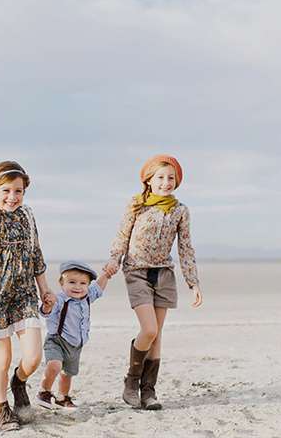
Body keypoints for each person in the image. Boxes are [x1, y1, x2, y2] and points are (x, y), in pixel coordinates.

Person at [105, 154, 204, 410]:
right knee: (148, 330)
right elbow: (122, 236)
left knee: (157, 336)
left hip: (163, 274)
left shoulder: (180, 211)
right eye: (160, 177)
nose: (166, 182)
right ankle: (131, 381)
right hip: (136, 271)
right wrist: (114, 261)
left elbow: (185, 247)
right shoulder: (136, 204)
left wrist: (193, 283)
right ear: (149, 180)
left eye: (171, 178)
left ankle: (148, 392)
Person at [0, 160, 56, 432]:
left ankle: (18, 383)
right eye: (6, 191)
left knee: (33, 357)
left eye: (18, 191)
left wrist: (45, 290)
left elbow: (36, 255)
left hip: (25, 295)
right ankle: (2, 408)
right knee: (2, 360)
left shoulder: (27, 215)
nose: (12, 197)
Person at [36, 260, 118, 410]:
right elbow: (45, 312)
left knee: (67, 374)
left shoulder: (87, 297)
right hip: (57, 341)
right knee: (54, 365)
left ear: (87, 286)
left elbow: (98, 287)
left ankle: (62, 397)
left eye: (83, 283)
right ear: (62, 283)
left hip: (76, 344)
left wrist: (106, 274)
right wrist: (47, 305)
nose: (77, 287)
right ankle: (44, 391)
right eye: (72, 282)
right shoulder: (60, 300)